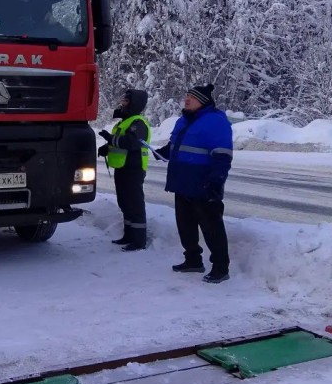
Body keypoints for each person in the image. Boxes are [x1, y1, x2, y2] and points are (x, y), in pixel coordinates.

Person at [154, 84, 233, 283]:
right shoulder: (183, 120)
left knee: (211, 227)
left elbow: (223, 155)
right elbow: (177, 145)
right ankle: (193, 260)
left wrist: (216, 181)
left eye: (193, 97)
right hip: (182, 182)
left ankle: (220, 267)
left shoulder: (215, 121)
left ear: (203, 101)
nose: (187, 99)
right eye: (187, 95)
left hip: (204, 184)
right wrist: (164, 152)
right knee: (185, 225)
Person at [97, 89, 151, 251]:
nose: (122, 104)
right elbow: (119, 142)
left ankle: (139, 240)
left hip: (134, 168)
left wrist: (110, 138)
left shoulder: (138, 123)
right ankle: (129, 235)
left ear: (135, 104)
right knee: (125, 203)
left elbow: (130, 142)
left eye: (126, 101)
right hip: (122, 168)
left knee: (135, 204)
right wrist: (107, 147)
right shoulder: (124, 122)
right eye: (123, 101)